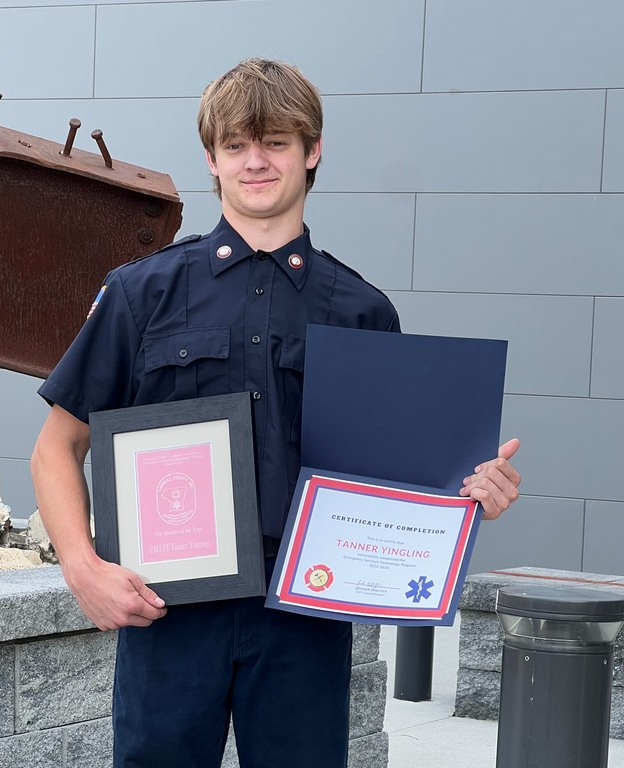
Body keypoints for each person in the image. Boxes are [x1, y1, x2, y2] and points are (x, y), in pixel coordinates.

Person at [31, 57, 521, 768]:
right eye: (236, 145)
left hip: (306, 616)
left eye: (276, 143)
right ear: (212, 159)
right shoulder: (142, 294)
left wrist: (471, 494)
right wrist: (81, 566)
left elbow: (403, 479)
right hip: (169, 610)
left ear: (312, 151)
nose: (254, 161)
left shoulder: (362, 312)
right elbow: (56, 446)